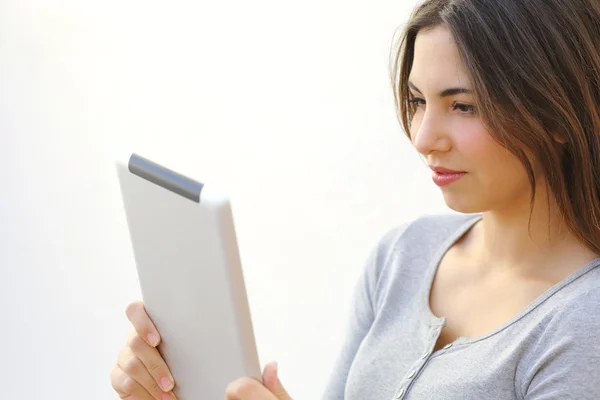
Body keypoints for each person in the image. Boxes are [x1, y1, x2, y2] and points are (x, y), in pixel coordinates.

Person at [110, 0, 600, 398]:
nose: (425, 137)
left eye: (463, 106)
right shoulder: (403, 256)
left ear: (557, 114)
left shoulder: (583, 323)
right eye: (416, 102)